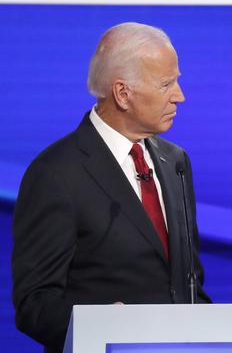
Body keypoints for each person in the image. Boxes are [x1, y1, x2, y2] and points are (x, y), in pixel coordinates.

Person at [12, 22, 211, 353]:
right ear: (123, 93)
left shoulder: (174, 162)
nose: (180, 95)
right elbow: (35, 303)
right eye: (166, 84)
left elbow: (190, 286)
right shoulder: (55, 174)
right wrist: (100, 327)